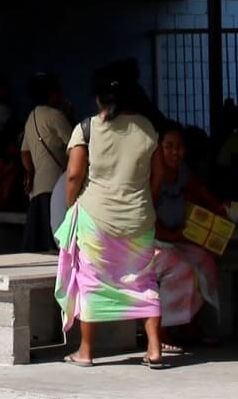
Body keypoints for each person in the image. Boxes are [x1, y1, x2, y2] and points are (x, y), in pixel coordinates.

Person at [54, 71, 169, 368]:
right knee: (144, 280)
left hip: (97, 219)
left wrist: (71, 207)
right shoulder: (147, 128)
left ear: (97, 98)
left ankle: (86, 351)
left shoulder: (87, 128)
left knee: (91, 280)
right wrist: (146, 202)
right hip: (139, 219)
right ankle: (155, 349)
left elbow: (74, 175)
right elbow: (159, 175)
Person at [151, 126, 222, 343]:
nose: (175, 152)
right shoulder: (151, 175)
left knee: (206, 261)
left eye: (179, 147)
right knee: (181, 269)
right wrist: (173, 236)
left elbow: (199, 190)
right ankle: (161, 332)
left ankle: (189, 323)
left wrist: (220, 210)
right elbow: (147, 216)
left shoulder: (182, 171)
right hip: (154, 241)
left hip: (175, 238)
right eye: (169, 146)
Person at [20, 73, 71, 253]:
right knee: (56, 243)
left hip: (37, 189)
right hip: (55, 185)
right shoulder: (55, 115)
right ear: (52, 93)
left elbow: (24, 152)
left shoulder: (31, 117)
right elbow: (75, 143)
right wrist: (70, 117)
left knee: (39, 245)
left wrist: (31, 172)